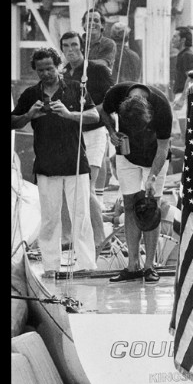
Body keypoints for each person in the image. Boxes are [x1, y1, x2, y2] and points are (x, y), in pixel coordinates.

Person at [11, 48, 98, 275]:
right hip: (46, 164)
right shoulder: (30, 94)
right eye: (40, 70)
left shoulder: (76, 88)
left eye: (50, 68)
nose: (46, 73)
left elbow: (94, 116)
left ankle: (87, 265)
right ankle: (50, 267)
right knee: (49, 219)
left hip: (75, 162)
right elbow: (13, 122)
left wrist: (69, 115)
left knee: (81, 216)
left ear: (59, 66)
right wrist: (29, 115)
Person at [98, 82, 174, 283]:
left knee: (151, 207)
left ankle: (150, 265)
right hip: (127, 153)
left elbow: (163, 148)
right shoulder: (115, 93)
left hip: (155, 157)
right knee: (130, 204)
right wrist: (112, 132)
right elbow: (103, 111)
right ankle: (132, 265)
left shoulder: (162, 107)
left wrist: (153, 177)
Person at [59, 31, 115, 255]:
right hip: (71, 134)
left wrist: (88, 112)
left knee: (87, 187)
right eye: (66, 46)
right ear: (62, 48)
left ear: (82, 47)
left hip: (94, 132)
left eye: (74, 45)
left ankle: (102, 239)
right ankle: (68, 237)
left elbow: (111, 98)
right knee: (65, 186)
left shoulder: (97, 70)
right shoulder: (62, 73)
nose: (71, 49)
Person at [170, 27, 193, 98]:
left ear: (183, 40)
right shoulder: (183, 54)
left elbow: (192, 79)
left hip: (186, 97)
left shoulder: (187, 55)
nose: (172, 39)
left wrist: (182, 99)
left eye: (175, 37)